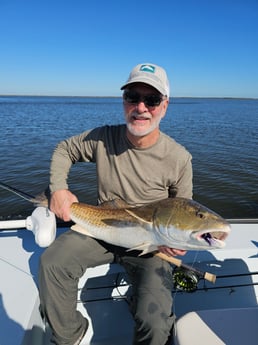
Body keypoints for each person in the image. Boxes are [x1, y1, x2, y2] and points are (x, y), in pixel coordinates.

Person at [39, 63, 193, 345]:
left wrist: (178, 240)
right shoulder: (103, 137)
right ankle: (71, 333)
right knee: (53, 262)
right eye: (133, 97)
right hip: (102, 228)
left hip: (150, 246)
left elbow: (183, 210)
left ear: (165, 106)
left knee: (156, 323)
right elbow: (65, 149)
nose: (141, 107)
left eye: (152, 100)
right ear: (124, 102)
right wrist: (59, 189)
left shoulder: (180, 158)